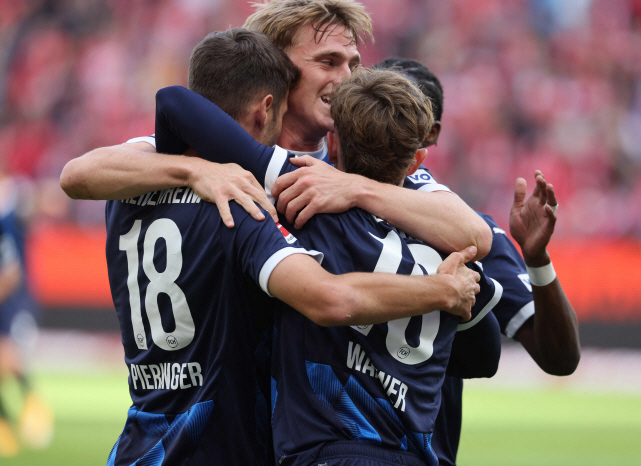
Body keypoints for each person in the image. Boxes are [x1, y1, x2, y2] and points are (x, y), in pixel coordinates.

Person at [100, 29, 481, 466]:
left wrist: (187, 170)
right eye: (329, 61)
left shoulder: (129, 185)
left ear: (336, 140)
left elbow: (83, 169)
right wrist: (444, 291)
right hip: (227, 449)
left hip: (140, 446)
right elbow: (333, 298)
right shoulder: (252, 206)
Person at [59, 0, 493, 260]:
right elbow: (80, 174)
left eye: (353, 65)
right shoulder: (210, 150)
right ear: (279, 72)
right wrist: (194, 172)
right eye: (328, 63)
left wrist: (356, 188)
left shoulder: (364, 162)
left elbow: (473, 235)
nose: (347, 80)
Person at [375, 57, 581, 466]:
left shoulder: (473, 237)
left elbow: (559, 357)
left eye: (400, 114)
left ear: (429, 135)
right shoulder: (313, 198)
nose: (379, 122)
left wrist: (536, 260)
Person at [0, 183, 53, 457]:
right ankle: (7, 423)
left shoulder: (10, 203)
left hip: (11, 300)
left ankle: (30, 408)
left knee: (8, 358)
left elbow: (11, 271)